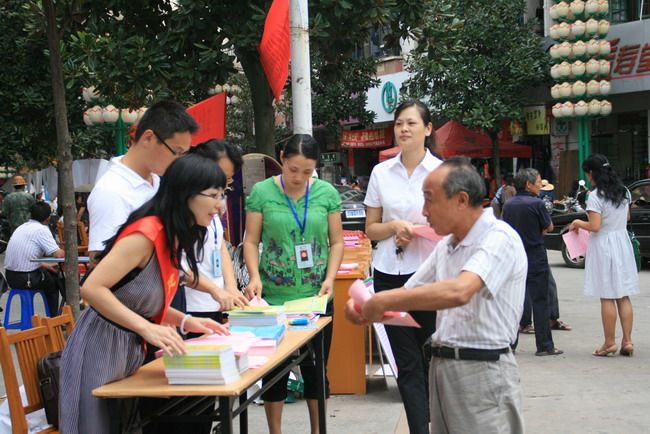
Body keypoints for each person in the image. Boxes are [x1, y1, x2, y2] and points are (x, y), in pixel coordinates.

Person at [345, 157, 526, 434]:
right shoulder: (447, 246)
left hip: (483, 373)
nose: (424, 211)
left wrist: (384, 301)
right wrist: (365, 306)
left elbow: (460, 290)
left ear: (461, 200)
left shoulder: (499, 237)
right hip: (443, 370)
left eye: (430, 200)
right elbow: (409, 292)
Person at [59, 155, 230, 434]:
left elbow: (140, 301)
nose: (220, 205)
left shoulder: (172, 235)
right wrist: (147, 328)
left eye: (223, 195)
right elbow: (92, 287)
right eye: (213, 195)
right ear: (185, 194)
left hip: (128, 349)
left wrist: (186, 321)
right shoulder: (146, 233)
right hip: (99, 347)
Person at [243, 133, 343, 434]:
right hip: (274, 298)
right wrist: (255, 276)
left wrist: (330, 277)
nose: (299, 177)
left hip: (316, 297)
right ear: (282, 159)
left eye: (307, 171)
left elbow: (336, 242)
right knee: (274, 372)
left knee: (316, 370)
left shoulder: (326, 194)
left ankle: (317, 430)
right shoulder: (261, 192)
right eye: (293, 169)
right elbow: (250, 241)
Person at [363, 99, 442, 434]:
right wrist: (395, 228)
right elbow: (371, 229)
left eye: (411, 123)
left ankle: (439, 424)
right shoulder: (381, 172)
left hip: (431, 276)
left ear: (427, 129)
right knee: (407, 363)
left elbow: (452, 228)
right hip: (389, 277)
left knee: (433, 360)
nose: (404, 129)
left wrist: (421, 232)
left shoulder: (442, 173)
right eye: (399, 124)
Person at [87, 100, 198, 262]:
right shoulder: (111, 191)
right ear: (148, 138)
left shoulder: (158, 181)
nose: (179, 160)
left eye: (184, 154)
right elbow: (100, 261)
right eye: (176, 152)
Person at [569, 154, 639, 357]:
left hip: (604, 246)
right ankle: (627, 341)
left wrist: (577, 223)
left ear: (591, 173)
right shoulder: (624, 192)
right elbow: (626, 217)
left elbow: (595, 226)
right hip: (621, 242)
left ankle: (609, 343)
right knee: (623, 294)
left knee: (607, 295)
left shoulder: (596, 196)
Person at [502, 168, 563, 356]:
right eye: (538, 182)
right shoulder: (537, 204)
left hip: (515, 257)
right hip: (535, 256)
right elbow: (549, 226)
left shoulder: (509, 204)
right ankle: (544, 346)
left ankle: (510, 344)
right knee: (540, 301)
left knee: (515, 301)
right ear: (528, 185)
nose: (540, 185)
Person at [4, 202, 64, 314]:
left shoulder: (22, 227)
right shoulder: (42, 230)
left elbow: (25, 257)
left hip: (11, 276)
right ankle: (54, 319)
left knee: (50, 273)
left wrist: (45, 266)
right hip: (26, 278)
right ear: (48, 217)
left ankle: (55, 318)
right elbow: (58, 254)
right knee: (55, 282)